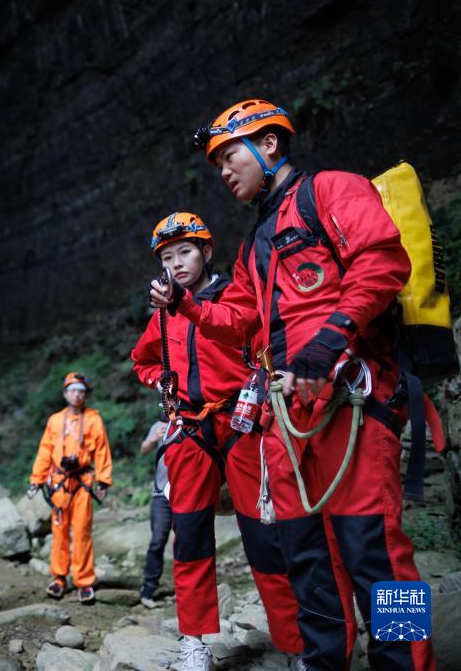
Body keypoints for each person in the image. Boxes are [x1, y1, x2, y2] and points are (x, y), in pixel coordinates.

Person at [150, 99, 433, 670]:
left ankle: (408, 665)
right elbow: (238, 321)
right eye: (219, 164)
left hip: (352, 401)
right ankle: (324, 660)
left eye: (231, 156)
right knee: (307, 552)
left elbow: (382, 261)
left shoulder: (332, 191)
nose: (225, 172)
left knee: (375, 547)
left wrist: (330, 339)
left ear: (270, 144)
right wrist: (186, 305)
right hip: (288, 417)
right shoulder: (257, 242)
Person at [134, 212, 302, 670]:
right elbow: (143, 359)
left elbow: (235, 325)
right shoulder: (165, 314)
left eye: (185, 251)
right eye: (168, 257)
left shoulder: (233, 295)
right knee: (188, 539)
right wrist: (158, 381)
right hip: (190, 429)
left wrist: (184, 302)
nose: (177, 262)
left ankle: (294, 643)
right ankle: (194, 641)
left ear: (207, 252)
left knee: (264, 538)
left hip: (241, 424)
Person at [27, 372, 112, 604]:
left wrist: (103, 480)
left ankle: (84, 581)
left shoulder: (94, 419)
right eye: (73, 390)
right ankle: (59, 577)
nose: (77, 395)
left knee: (82, 532)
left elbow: (102, 450)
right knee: (59, 533)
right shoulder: (55, 420)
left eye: (81, 391)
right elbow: (45, 450)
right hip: (59, 484)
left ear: (85, 395)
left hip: (82, 483)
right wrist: (37, 479)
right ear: (65, 394)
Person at [138, 420, 172, 609]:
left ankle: (188, 591)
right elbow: (144, 450)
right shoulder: (159, 424)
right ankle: (148, 588)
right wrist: (154, 438)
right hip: (161, 494)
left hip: (186, 492)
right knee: (158, 540)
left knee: (188, 541)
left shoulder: (193, 418)